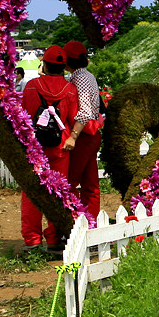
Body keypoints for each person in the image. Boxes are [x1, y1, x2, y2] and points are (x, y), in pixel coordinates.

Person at [20, 45, 79, 253]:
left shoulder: (31, 86)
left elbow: (24, 115)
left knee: (31, 193)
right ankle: (54, 237)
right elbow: (73, 119)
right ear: (63, 67)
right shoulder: (70, 89)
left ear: (44, 64)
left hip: (35, 147)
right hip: (61, 146)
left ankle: (32, 240)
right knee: (58, 192)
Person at [62, 41, 103, 224]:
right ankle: (91, 221)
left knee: (70, 182)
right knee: (91, 184)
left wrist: (73, 136)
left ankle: (76, 220)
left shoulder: (79, 78)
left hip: (83, 135)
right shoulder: (85, 75)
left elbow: (85, 112)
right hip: (92, 134)